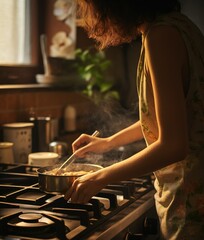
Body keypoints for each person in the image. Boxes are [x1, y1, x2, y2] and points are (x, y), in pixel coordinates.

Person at [64, 0, 204, 239]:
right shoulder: (179, 27)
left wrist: (100, 177)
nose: (92, 15)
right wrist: (108, 142)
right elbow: (168, 116)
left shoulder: (161, 37)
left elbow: (174, 146)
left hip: (190, 198)